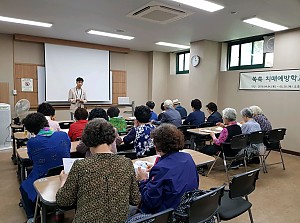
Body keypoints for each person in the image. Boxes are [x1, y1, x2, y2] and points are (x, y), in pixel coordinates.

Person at [56, 118, 140, 223]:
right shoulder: (126, 163)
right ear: (112, 137)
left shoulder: (81, 166)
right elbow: (135, 199)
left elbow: (63, 201)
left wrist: (63, 181)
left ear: (87, 140)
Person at [137, 124, 199, 214]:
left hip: (167, 214)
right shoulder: (187, 157)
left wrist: (143, 180)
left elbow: (150, 202)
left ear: (157, 145)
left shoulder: (161, 168)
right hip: (188, 207)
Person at [20, 113, 70, 223]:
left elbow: (32, 159)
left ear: (31, 129)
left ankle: (32, 217)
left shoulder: (32, 142)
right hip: (65, 173)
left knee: (24, 186)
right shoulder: (62, 135)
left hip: (44, 176)